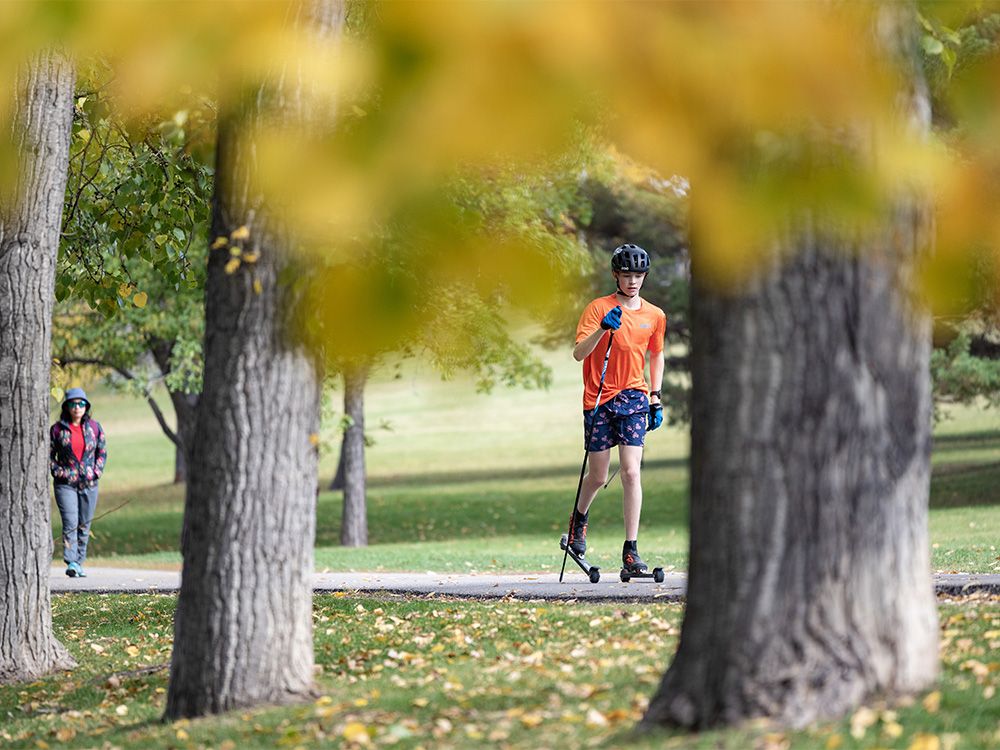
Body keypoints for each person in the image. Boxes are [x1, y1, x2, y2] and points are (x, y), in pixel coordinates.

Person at [568, 243, 666, 574]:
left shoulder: (655, 315)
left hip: (634, 399)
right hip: (599, 399)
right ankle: (578, 523)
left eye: (639, 275)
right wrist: (602, 329)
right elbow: (579, 353)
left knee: (631, 471)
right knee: (597, 475)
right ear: (615, 275)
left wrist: (655, 395)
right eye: (627, 275)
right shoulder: (597, 309)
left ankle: (631, 551)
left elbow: (657, 354)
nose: (633, 281)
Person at [50, 387, 107, 578]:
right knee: (71, 522)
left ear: (86, 406)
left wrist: (95, 472)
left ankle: (79, 561)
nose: (77, 407)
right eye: (73, 404)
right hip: (65, 484)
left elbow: (102, 452)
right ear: (67, 407)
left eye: (81, 404)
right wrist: (59, 472)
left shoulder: (95, 428)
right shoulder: (57, 430)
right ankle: (71, 561)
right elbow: (49, 455)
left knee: (85, 524)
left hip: (89, 484)